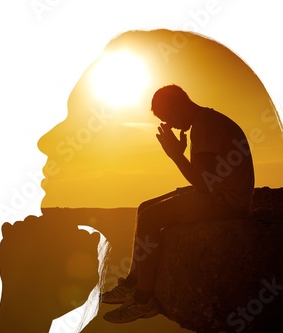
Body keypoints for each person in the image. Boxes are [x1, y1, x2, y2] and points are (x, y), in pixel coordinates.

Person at [101, 84, 255, 324]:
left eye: (168, 117)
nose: (170, 125)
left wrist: (175, 154)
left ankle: (143, 299)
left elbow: (203, 184)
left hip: (226, 203)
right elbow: (206, 180)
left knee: (149, 219)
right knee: (144, 207)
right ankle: (132, 282)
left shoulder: (205, 126)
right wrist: (179, 154)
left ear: (180, 105)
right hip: (223, 195)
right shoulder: (206, 121)